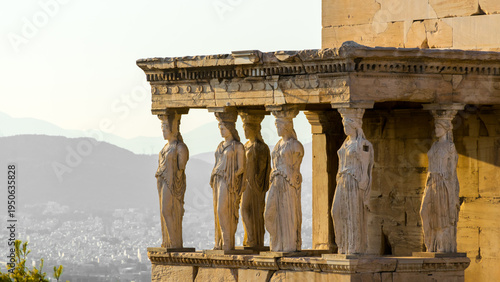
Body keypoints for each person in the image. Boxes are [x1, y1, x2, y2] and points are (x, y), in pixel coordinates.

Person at [331, 108, 374, 254]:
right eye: (343, 125)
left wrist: (364, 186)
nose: (345, 128)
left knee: (353, 214)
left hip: (354, 182)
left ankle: (353, 247)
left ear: (355, 125)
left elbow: (366, 166)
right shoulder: (346, 143)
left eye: (347, 125)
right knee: (336, 211)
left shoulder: (363, 144)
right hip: (342, 181)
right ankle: (342, 245)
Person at [265, 111, 304, 252]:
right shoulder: (277, 144)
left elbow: (296, 169)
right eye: (276, 126)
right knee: (269, 215)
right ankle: (277, 243)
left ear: (287, 126)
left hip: (288, 184)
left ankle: (288, 245)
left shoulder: (296, 146)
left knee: (288, 214)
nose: (277, 129)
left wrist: (292, 179)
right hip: (275, 181)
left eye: (279, 125)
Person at [420, 117, 460, 253]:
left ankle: (441, 246)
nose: (436, 130)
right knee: (424, 211)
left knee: (441, 217)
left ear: (445, 129)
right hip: (431, 182)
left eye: (439, 128)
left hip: (443, 184)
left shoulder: (450, 147)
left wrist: (451, 189)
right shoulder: (434, 145)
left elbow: (452, 169)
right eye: (436, 127)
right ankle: (430, 243)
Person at [210, 112, 246, 251]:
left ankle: (227, 241)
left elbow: (241, 167)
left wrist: (232, 177)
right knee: (217, 210)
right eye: (220, 128)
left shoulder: (237, 146)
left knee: (223, 210)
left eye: (223, 128)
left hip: (228, 181)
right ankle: (220, 241)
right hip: (217, 180)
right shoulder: (220, 145)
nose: (221, 131)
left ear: (230, 129)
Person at [155, 113, 188, 249]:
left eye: (165, 130)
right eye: (162, 130)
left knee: (167, 210)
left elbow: (181, 169)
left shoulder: (180, 148)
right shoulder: (164, 148)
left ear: (172, 130)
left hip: (172, 183)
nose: (163, 133)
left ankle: (175, 242)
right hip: (162, 181)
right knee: (164, 210)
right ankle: (168, 241)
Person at [240, 113, 271, 249]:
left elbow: (264, 168)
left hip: (254, 184)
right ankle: (250, 237)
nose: (245, 132)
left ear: (253, 129)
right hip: (245, 182)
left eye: (247, 129)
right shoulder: (246, 146)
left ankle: (254, 239)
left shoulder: (260, 147)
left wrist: (258, 184)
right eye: (244, 129)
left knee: (250, 210)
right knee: (244, 209)